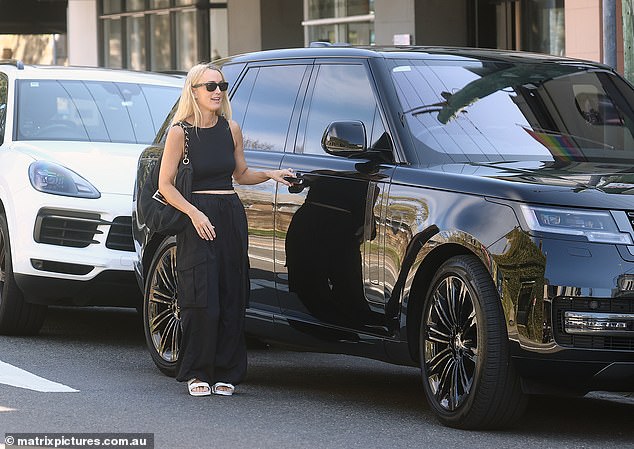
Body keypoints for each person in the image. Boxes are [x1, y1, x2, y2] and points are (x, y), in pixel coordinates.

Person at [158, 62, 293, 397]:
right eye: (210, 86)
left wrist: (270, 175)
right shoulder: (180, 133)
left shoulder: (231, 128)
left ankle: (227, 372)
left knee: (232, 294)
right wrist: (194, 213)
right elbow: (165, 184)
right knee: (202, 298)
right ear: (194, 91)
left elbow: (241, 174)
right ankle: (197, 371)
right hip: (198, 219)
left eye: (222, 85)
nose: (217, 91)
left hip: (230, 215)